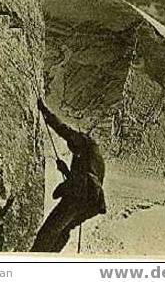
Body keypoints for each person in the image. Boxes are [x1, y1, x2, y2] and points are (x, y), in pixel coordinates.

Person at [30, 97, 106, 253]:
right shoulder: (97, 158)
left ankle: (37, 258)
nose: (73, 151)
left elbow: (62, 129)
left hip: (78, 196)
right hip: (92, 203)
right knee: (64, 229)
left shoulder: (85, 143)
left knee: (49, 230)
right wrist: (65, 171)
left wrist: (44, 110)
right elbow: (90, 180)